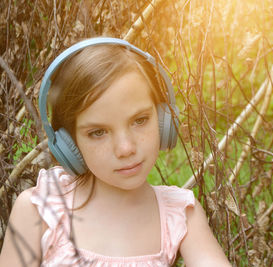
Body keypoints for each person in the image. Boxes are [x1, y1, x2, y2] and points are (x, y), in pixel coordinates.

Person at [0, 37, 231, 267]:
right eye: (98, 132)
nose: (126, 148)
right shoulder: (40, 211)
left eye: (140, 120)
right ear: (69, 143)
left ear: (164, 120)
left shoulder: (179, 215)